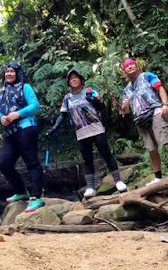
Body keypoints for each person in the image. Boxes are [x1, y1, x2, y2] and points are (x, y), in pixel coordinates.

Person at [47, 69, 128, 199]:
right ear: (68, 82)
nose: (73, 80)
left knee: (106, 154)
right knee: (87, 159)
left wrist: (94, 101)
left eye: (76, 77)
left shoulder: (90, 91)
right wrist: (54, 128)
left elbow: (101, 107)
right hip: (81, 132)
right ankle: (90, 187)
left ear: (80, 79)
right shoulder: (67, 98)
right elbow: (62, 115)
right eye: (71, 78)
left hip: (96, 128)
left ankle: (118, 181)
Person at [120, 58, 168, 185]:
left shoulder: (147, 76)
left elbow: (160, 89)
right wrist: (124, 105)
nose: (129, 67)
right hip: (139, 119)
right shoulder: (126, 89)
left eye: (131, 64)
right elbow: (126, 111)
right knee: (151, 148)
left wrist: (165, 104)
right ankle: (158, 177)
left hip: (155, 111)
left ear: (137, 66)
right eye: (126, 66)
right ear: (124, 71)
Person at [0, 61, 44, 213]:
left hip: (26, 127)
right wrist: (0, 118)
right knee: (5, 164)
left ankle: (36, 197)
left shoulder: (25, 87)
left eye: (12, 71)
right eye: (7, 71)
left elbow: (35, 105)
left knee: (32, 162)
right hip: (10, 132)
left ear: (18, 73)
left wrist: (18, 113)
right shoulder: (1, 92)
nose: (9, 74)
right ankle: (22, 192)